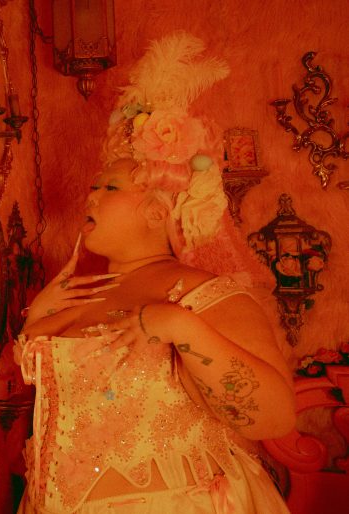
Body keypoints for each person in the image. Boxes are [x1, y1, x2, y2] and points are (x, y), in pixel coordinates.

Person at [15, 32, 295, 513]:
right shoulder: (84, 290)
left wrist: (179, 325)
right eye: (95, 186)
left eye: (109, 188)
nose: (91, 196)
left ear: (155, 211)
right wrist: (37, 318)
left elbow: (273, 418)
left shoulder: (205, 295)